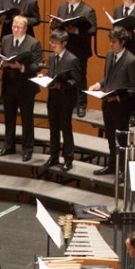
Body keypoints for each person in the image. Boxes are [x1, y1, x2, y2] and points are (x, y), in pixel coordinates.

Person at [89, 27, 135, 175]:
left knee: (122, 140)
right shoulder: (110, 55)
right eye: (110, 41)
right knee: (110, 137)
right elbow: (107, 77)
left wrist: (117, 97)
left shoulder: (131, 61)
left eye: (114, 42)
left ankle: (123, 170)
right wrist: (98, 85)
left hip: (121, 106)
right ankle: (112, 165)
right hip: (107, 104)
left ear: (122, 42)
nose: (111, 44)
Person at [0, 14, 43, 161]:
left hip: (25, 86)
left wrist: (22, 67)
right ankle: (8, 145)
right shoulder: (6, 39)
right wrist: (1, 63)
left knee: (26, 119)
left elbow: (38, 65)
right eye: (14, 27)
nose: (15, 30)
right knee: (9, 117)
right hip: (9, 84)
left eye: (19, 28)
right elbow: (0, 57)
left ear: (25, 29)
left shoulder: (33, 43)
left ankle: (27, 149)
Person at [52, 0, 97, 116]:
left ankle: (81, 105)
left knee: (79, 78)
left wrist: (76, 30)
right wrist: (54, 24)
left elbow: (93, 30)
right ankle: (67, 103)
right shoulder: (62, 7)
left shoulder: (88, 10)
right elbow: (59, 25)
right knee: (63, 76)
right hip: (65, 48)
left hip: (79, 50)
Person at [42, 30, 79, 170]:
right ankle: (54, 156)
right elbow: (51, 74)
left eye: (56, 43)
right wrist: (44, 77)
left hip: (65, 99)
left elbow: (76, 82)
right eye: (52, 42)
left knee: (65, 128)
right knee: (53, 128)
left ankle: (68, 159)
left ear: (64, 43)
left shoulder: (72, 59)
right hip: (53, 98)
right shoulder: (52, 57)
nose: (53, 45)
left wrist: (61, 85)